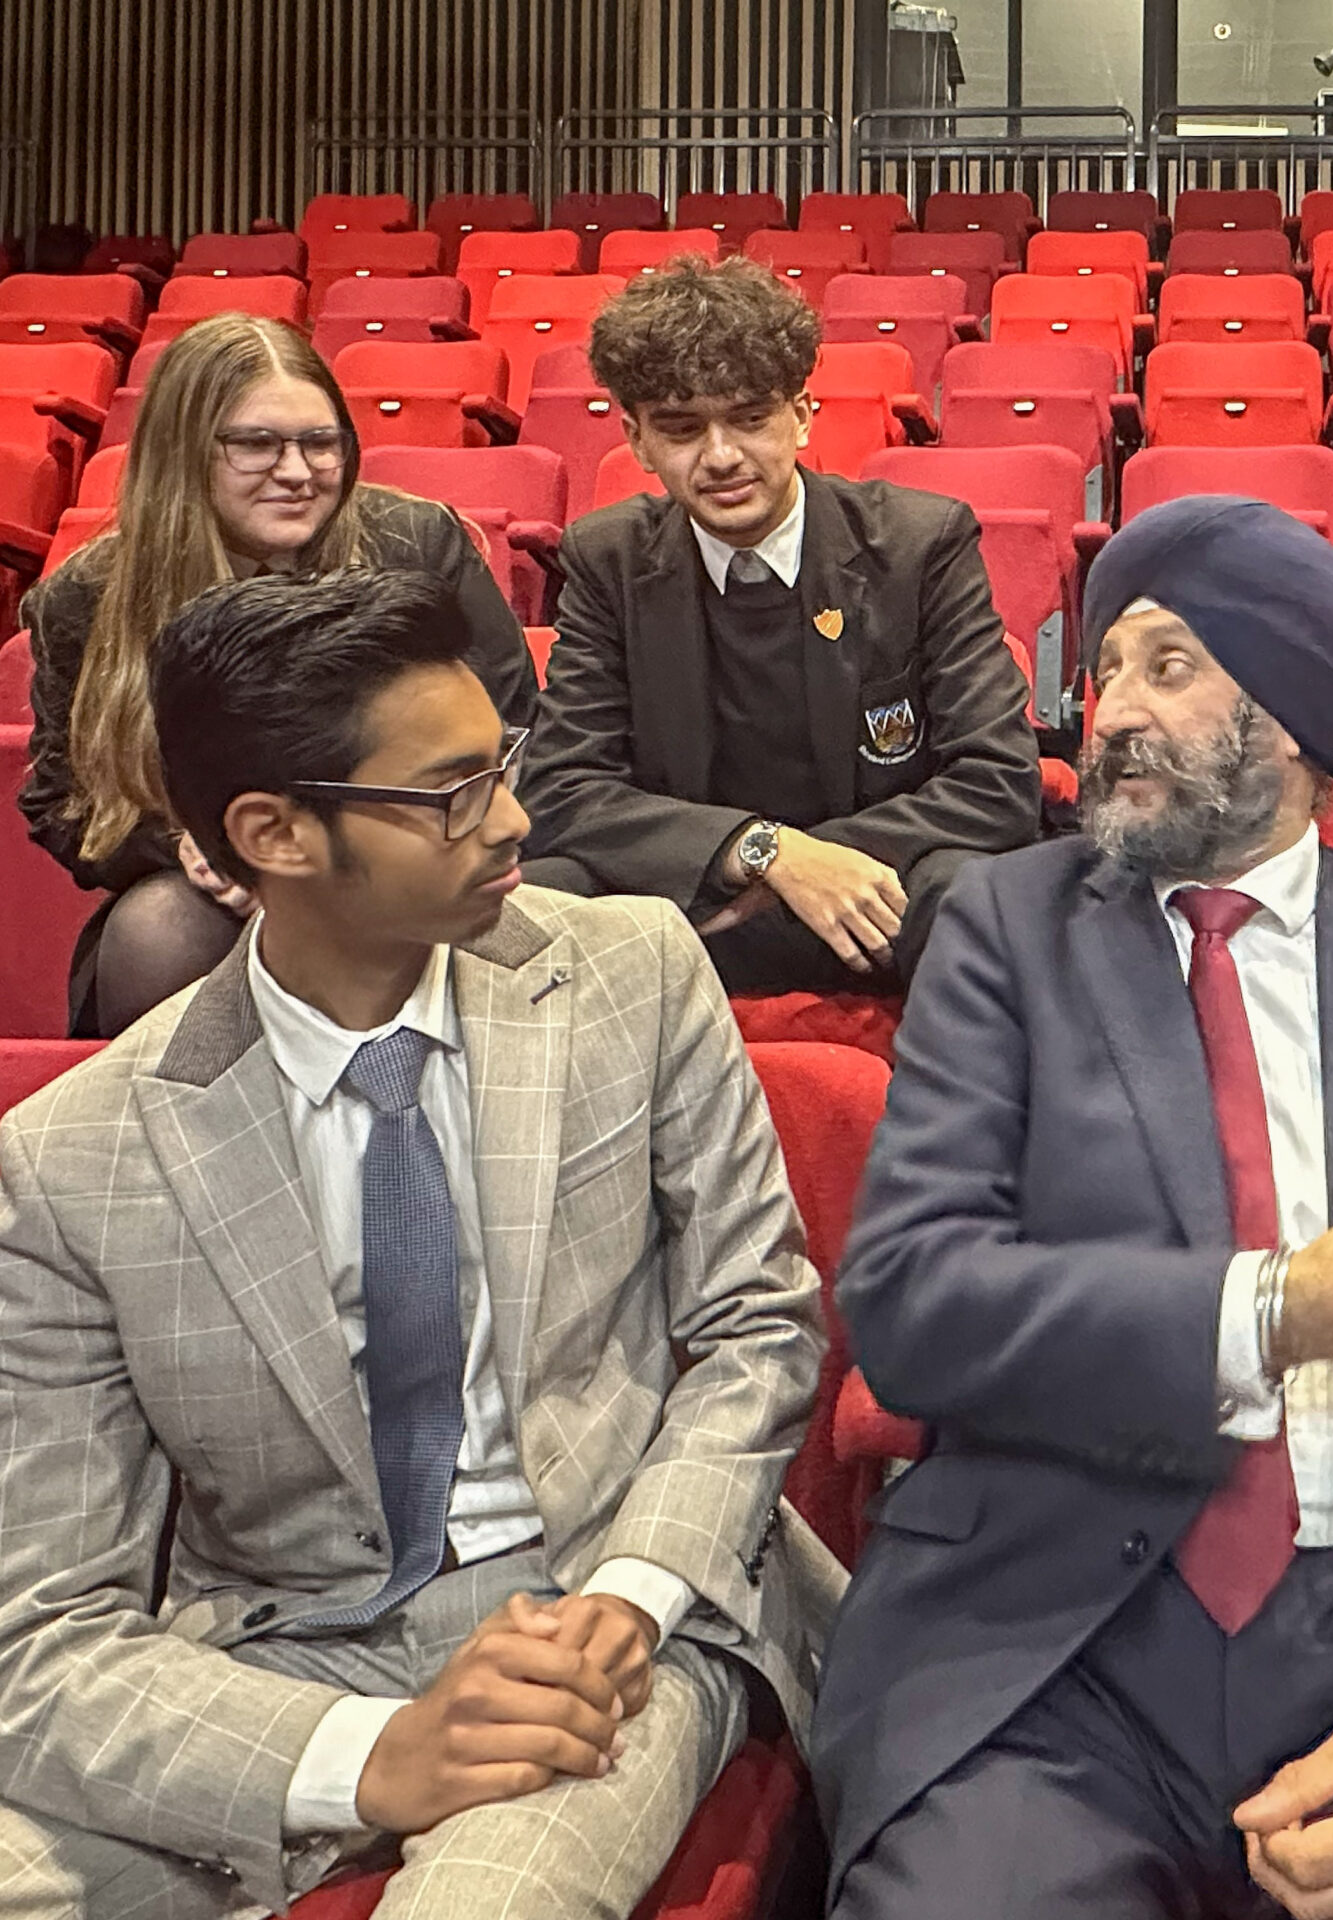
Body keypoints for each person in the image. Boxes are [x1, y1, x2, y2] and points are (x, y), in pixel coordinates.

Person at [813, 496, 1333, 1919]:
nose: (1110, 714)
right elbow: (910, 1307)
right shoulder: (1005, 934)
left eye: (1169, 666)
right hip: (1054, 1652)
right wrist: (1283, 1310)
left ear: (1292, 721)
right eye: (1105, 672)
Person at [0, 570, 842, 1916]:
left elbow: (757, 1327)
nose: (512, 818)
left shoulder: (631, 972)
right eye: (451, 793)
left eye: (499, 766)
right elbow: (42, 1636)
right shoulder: (72, 1159)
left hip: (596, 1602)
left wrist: (629, 1599)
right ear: (274, 832)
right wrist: (366, 1757)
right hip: (277, 1654)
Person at [517, 254, 1042, 995]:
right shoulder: (609, 558)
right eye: (682, 429)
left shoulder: (919, 544)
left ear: (800, 415)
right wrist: (766, 854)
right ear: (636, 440)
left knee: (969, 890)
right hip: (696, 903)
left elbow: (998, 780)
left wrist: (818, 863)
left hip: (873, 894)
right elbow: (560, 788)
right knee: (537, 897)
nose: (721, 456)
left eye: (750, 418)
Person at [18, 310, 538, 1037]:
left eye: (320, 443)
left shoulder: (417, 545)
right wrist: (195, 847)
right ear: (184, 452)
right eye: (257, 444)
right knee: (157, 931)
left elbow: (517, 729)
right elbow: (60, 800)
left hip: (415, 858)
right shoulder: (87, 596)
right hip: (220, 893)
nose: (297, 473)